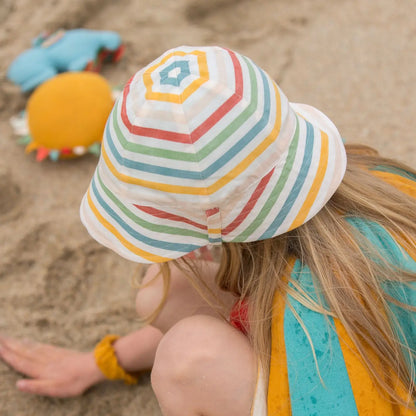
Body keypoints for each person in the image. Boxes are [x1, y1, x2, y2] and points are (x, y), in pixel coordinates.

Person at [0, 45, 415, 415]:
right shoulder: (376, 180)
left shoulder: (312, 317)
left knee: (187, 360)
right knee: (165, 293)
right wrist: (98, 364)